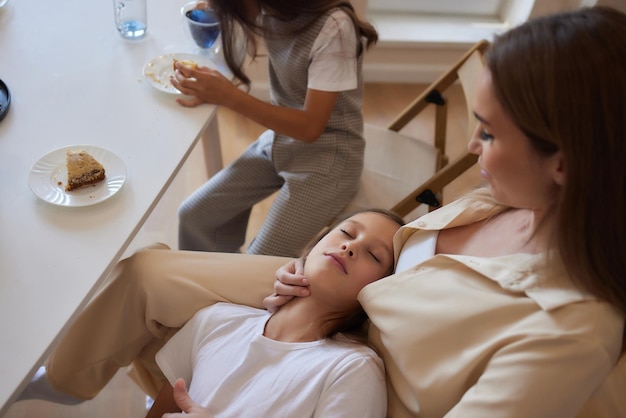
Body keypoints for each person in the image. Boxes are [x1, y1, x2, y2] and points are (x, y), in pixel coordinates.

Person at [15, 6, 626, 418]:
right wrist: (316, 269)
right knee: (146, 272)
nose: (470, 149)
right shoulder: (515, 199)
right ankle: (64, 380)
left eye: (488, 134)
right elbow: (410, 247)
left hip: (374, 359)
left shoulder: (568, 332)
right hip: (360, 289)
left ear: (565, 162)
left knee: (187, 312)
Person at [144, 209, 403, 417]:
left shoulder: (353, 369)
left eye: (374, 255)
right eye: (346, 231)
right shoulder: (214, 320)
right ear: (315, 244)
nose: (349, 247)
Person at [173, 0, 378, 257]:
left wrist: (228, 96)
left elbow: (310, 128)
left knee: (257, 262)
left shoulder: (334, 28)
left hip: (330, 159)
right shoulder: (272, 9)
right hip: (282, 141)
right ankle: (214, 287)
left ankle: (233, 291)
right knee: (195, 216)